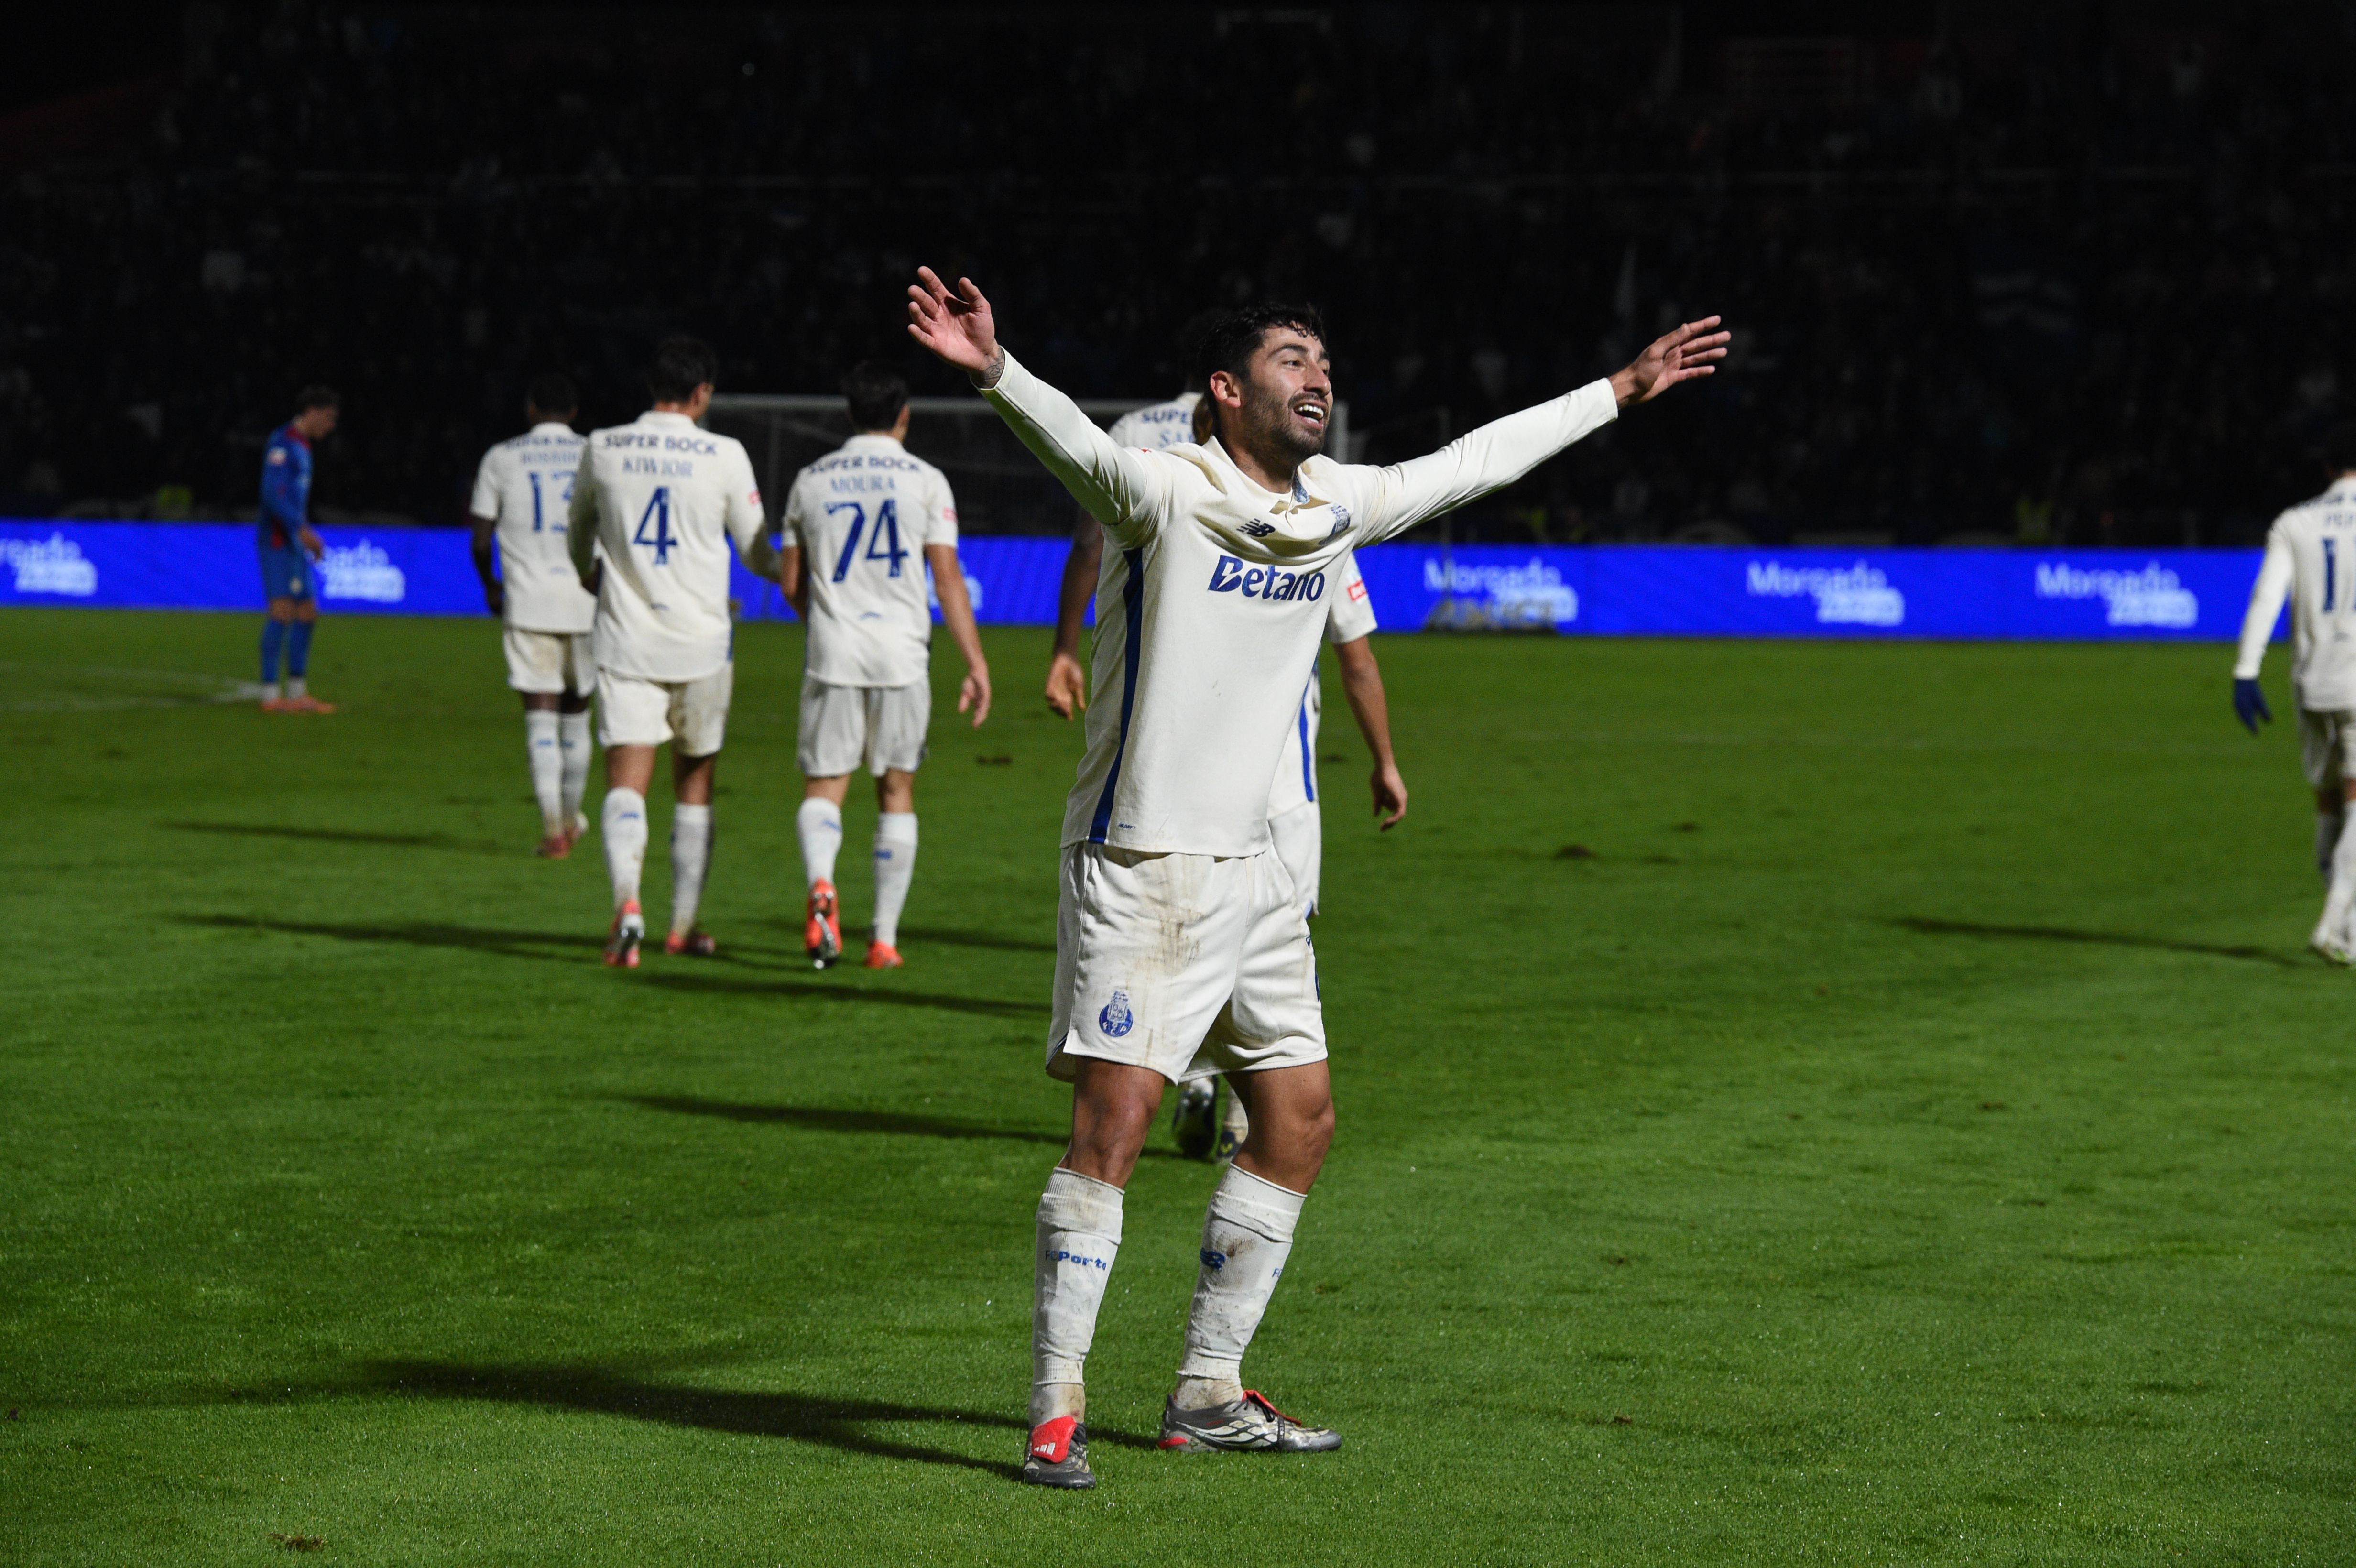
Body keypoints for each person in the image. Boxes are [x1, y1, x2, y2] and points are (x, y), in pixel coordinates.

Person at [905, 266, 1724, 1488]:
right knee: (1116, 1123)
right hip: (1149, 860)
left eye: (1324, 361)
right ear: (1226, 390)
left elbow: (1469, 463)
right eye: (1292, 358)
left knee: (1298, 1122)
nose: (1319, 377)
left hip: (1264, 872)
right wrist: (996, 371)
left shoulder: (1334, 502)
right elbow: (1080, 450)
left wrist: (1617, 391)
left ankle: (1206, 1388)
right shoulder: (1167, 492)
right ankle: (1054, 1408)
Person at [1050, 387, 1407, 1163]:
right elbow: (1357, 659)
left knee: (1196, 961)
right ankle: (1240, 1114)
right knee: (1273, 952)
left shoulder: (1178, 504)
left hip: (1183, 793)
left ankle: (1206, 1088)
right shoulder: (1311, 521)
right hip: (1276, 794)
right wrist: (1382, 759)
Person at [567, 336, 781, 967]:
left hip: (627, 639)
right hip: (702, 646)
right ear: (703, 393)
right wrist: (798, 574)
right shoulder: (725, 454)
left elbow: (577, 534)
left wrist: (588, 577)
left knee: (626, 782)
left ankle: (627, 907)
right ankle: (683, 926)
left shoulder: (603, 447)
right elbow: (756, 551)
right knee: (694, 783)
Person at [779, 361, 991, 970]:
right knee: (896, 789)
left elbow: (792, 580)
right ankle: (884, 940)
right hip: (901, 655)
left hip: (834, 652)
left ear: (850, 415)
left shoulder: (810, 479)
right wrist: (974, 662)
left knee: (825, 786)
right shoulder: (925, 480)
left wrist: (822, 622)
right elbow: (946, 576)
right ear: (903, 416)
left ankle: (822, 882)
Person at [2231, 421, 2356, 961]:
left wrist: (2244, 672)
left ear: (2326, 468)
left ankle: (2346, 929)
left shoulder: (2294, 522)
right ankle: (2332, 926)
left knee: (2330, 804)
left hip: (2310, 684)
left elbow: (2266, 597)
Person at [469, 373, 596, 858]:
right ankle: (570, 816)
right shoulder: (594, 454)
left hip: (529, 602)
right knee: (577, 719)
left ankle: (552, 827)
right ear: (574, 411)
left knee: (540, 719)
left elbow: (481, 538)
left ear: (530, 409)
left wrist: (491, 587)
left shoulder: (501, 457)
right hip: (586, 602)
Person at [256, 387, 340, 714]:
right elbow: (271, 494)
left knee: (307, 614)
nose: (331, 426)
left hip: (292, 543)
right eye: (329, 418)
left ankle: (296, 694)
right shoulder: (283, 442)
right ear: (313, 411)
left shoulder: (303, 446)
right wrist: (301, 529)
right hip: (277, 542)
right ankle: (269, 697)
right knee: (282, 612)